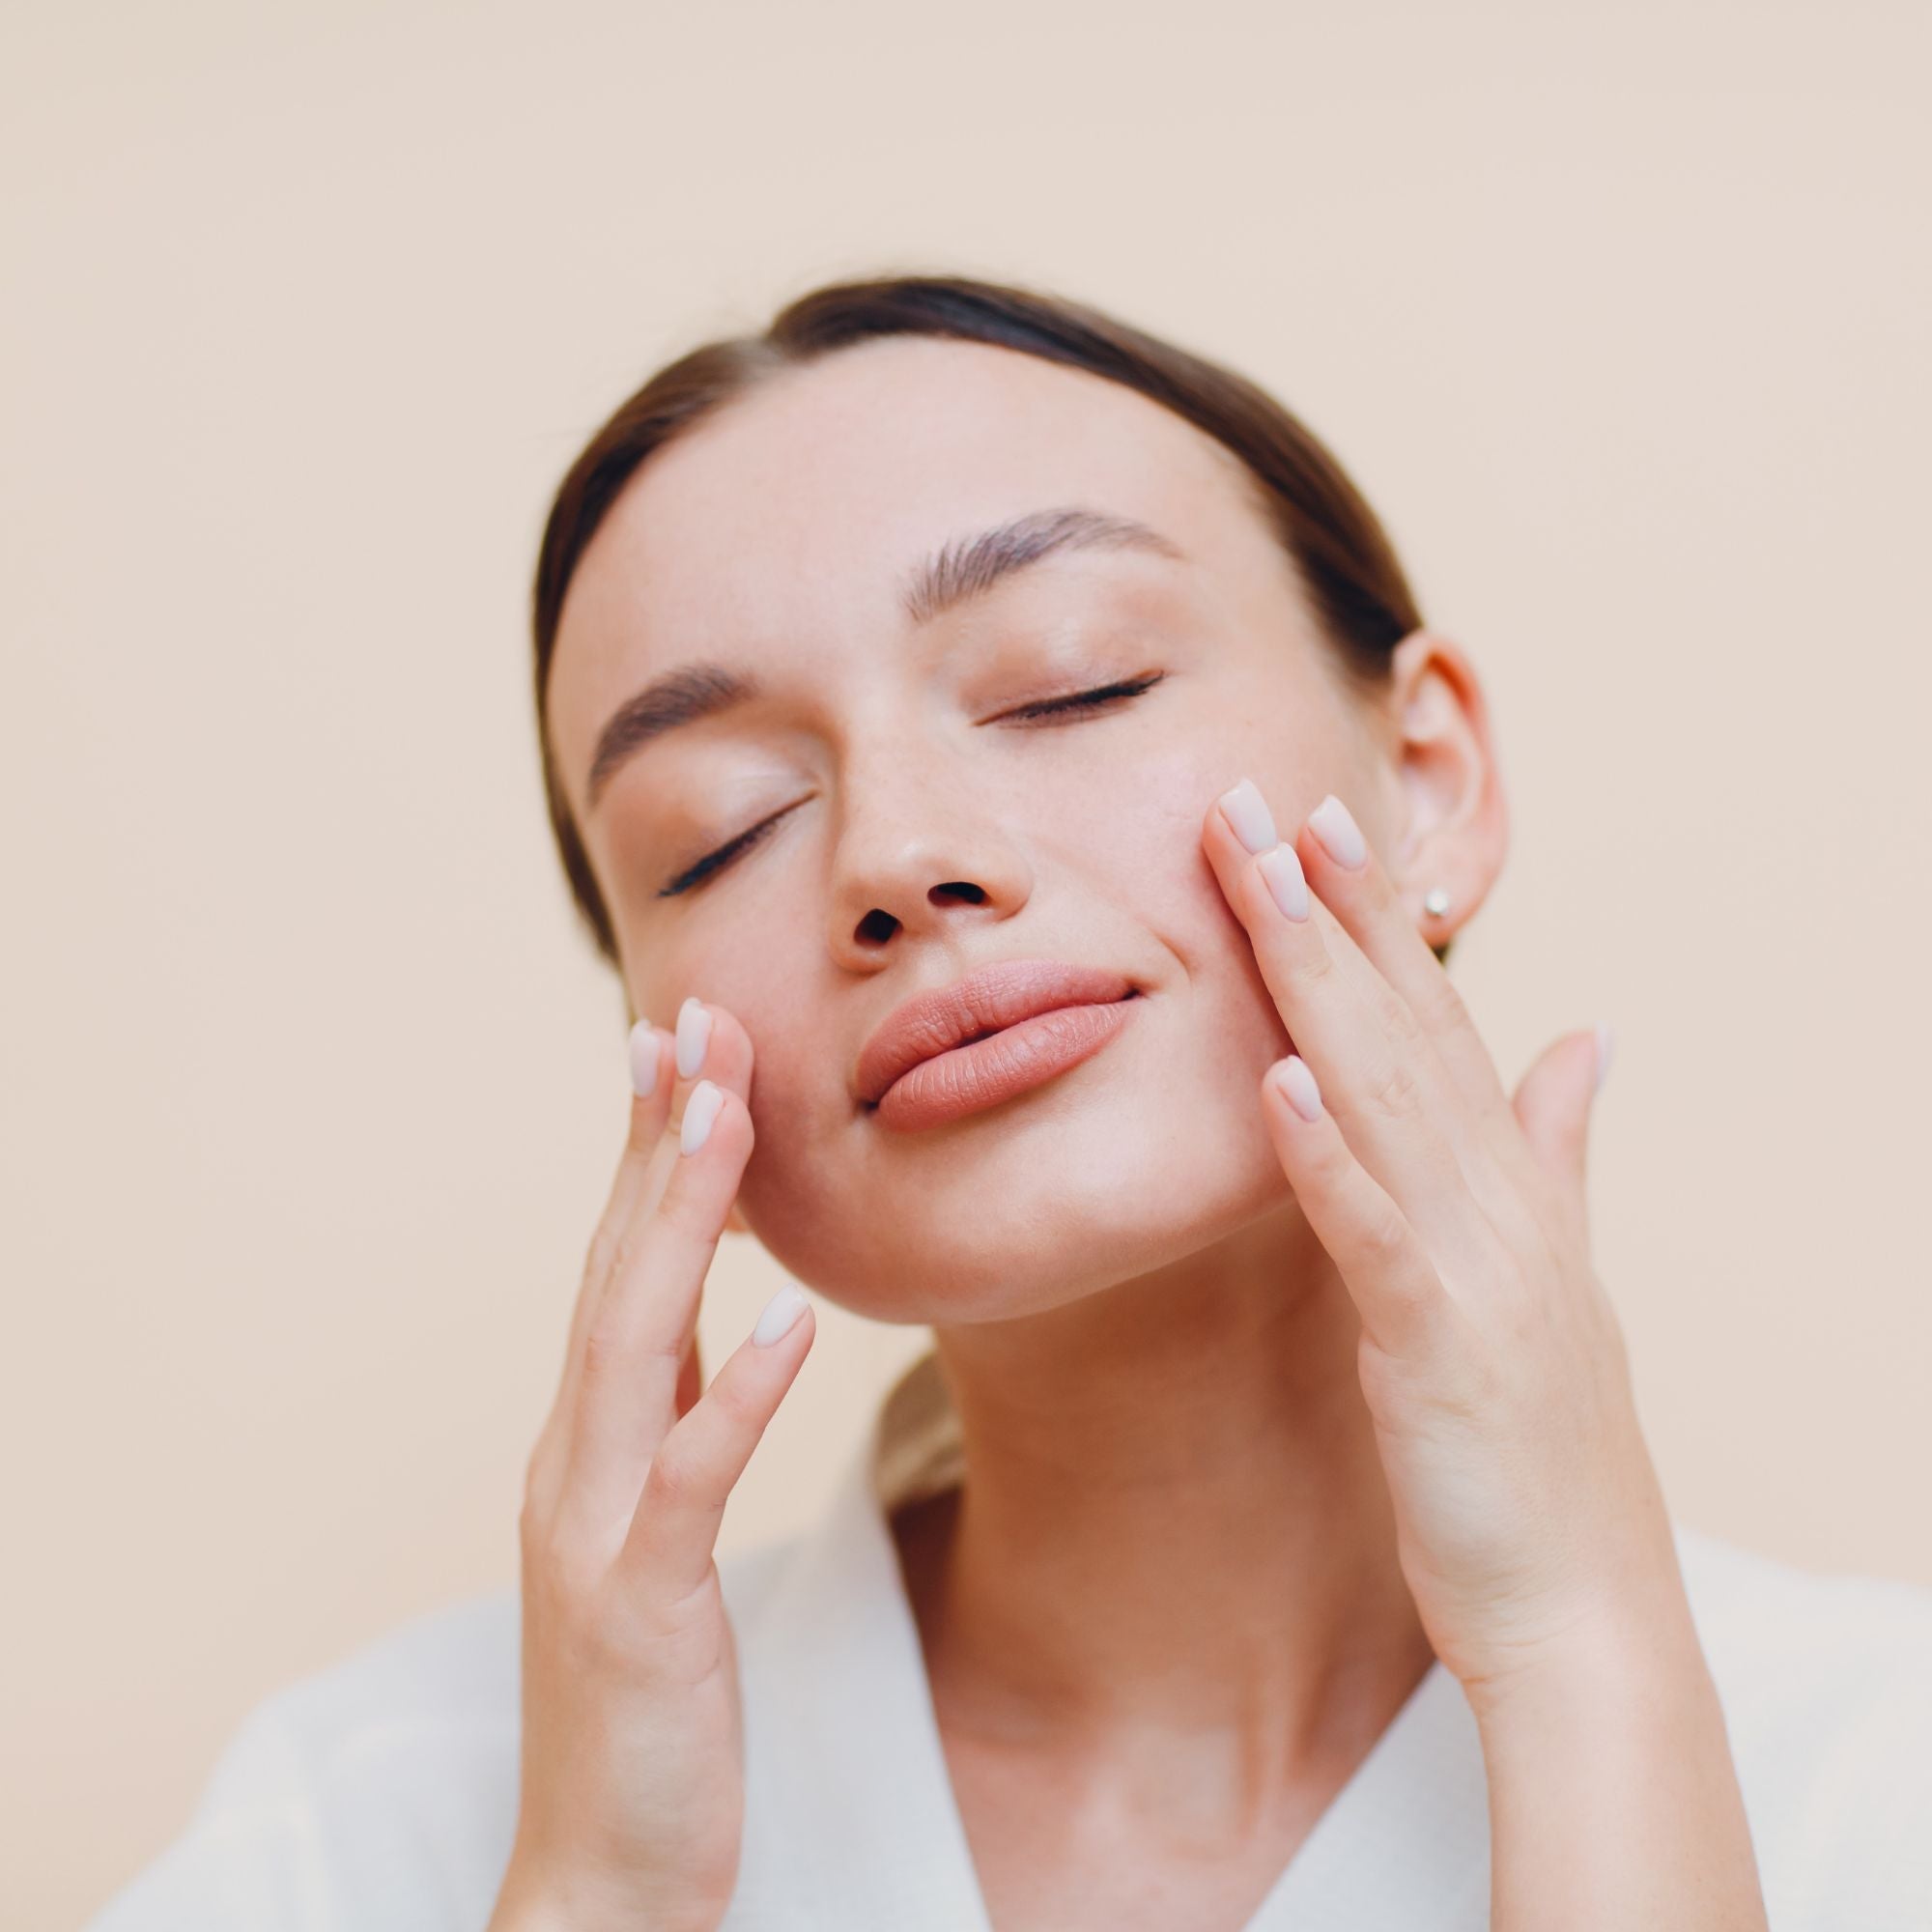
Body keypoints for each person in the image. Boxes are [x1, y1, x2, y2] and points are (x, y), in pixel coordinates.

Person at [90, 274, 1932, 1932]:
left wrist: (1588, 1665)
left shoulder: (1879, 1773)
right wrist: (598, 1897)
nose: (896, 856)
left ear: (1428, 777)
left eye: (1072, 684)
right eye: (717, 830)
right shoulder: (370, 1834)